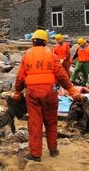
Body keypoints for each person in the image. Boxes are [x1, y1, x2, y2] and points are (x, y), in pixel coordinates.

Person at [12, 30, 82, 162]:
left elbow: (20, 77)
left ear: (33, 41)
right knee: (51, 121)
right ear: (45, 42)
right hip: (51, 91)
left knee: (35, 123)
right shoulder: (52, 54)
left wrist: (17, 91)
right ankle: (53, 149)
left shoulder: (27, 55)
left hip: (33, 93)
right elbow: (61, 74)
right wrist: (71, 89)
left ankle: (35, 154)